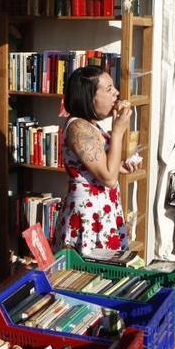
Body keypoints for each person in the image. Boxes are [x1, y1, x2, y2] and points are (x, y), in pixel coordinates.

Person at [55, 66, 142, 253]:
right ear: (89, 97)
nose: (116, 93)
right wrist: (118, 131)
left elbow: (96, 168)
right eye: (109, 89)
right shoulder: (78, 128)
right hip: (88, 215)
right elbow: (109, 179)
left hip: (102, 212)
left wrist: (119, 166)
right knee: (89, 276)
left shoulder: (91, 125)